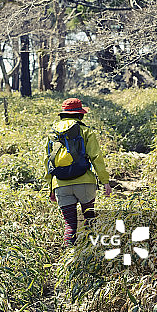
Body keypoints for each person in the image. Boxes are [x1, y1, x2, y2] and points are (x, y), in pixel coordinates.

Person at [45, 97, 112, 245]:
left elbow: (48, 162)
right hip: (85, 183)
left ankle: (70, 253)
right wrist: (105, 182)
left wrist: (51, 189)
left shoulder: (52, 134)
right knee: (89, 220)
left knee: (69, 225)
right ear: (80, 114)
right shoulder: (86, 131)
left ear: (63, 114)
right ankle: (90, 252)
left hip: (60, 184)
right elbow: (96, 158)